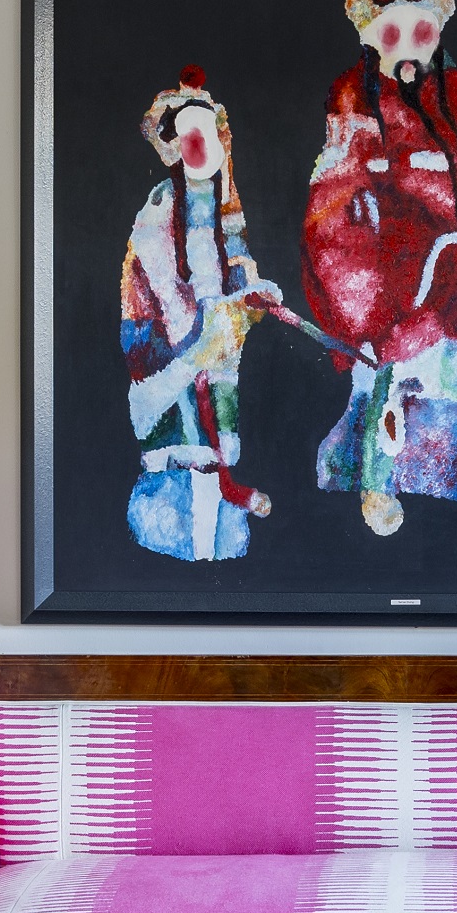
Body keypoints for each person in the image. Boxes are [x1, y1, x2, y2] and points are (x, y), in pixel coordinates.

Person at [303, 0, 457, 534]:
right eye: (391, 36)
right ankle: (379, 476)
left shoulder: (453, 99)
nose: (406, 50)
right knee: (391, 371)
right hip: (394, 287)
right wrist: (369, 310)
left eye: (419, 33)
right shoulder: (353, 106)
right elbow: (333, 215)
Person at [122, 67, 282, 560]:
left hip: (217, 348)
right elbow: (161, 290)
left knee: (216, 451)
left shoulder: (222, 206)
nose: (202, 144)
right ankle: (175, 536)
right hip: (172, 352)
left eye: (209, 132)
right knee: (182, 446)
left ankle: (215, 533)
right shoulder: (159, 210)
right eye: (191, 133)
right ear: (173, 144)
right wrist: (202, 333)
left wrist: (253, 295)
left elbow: (238, 262)